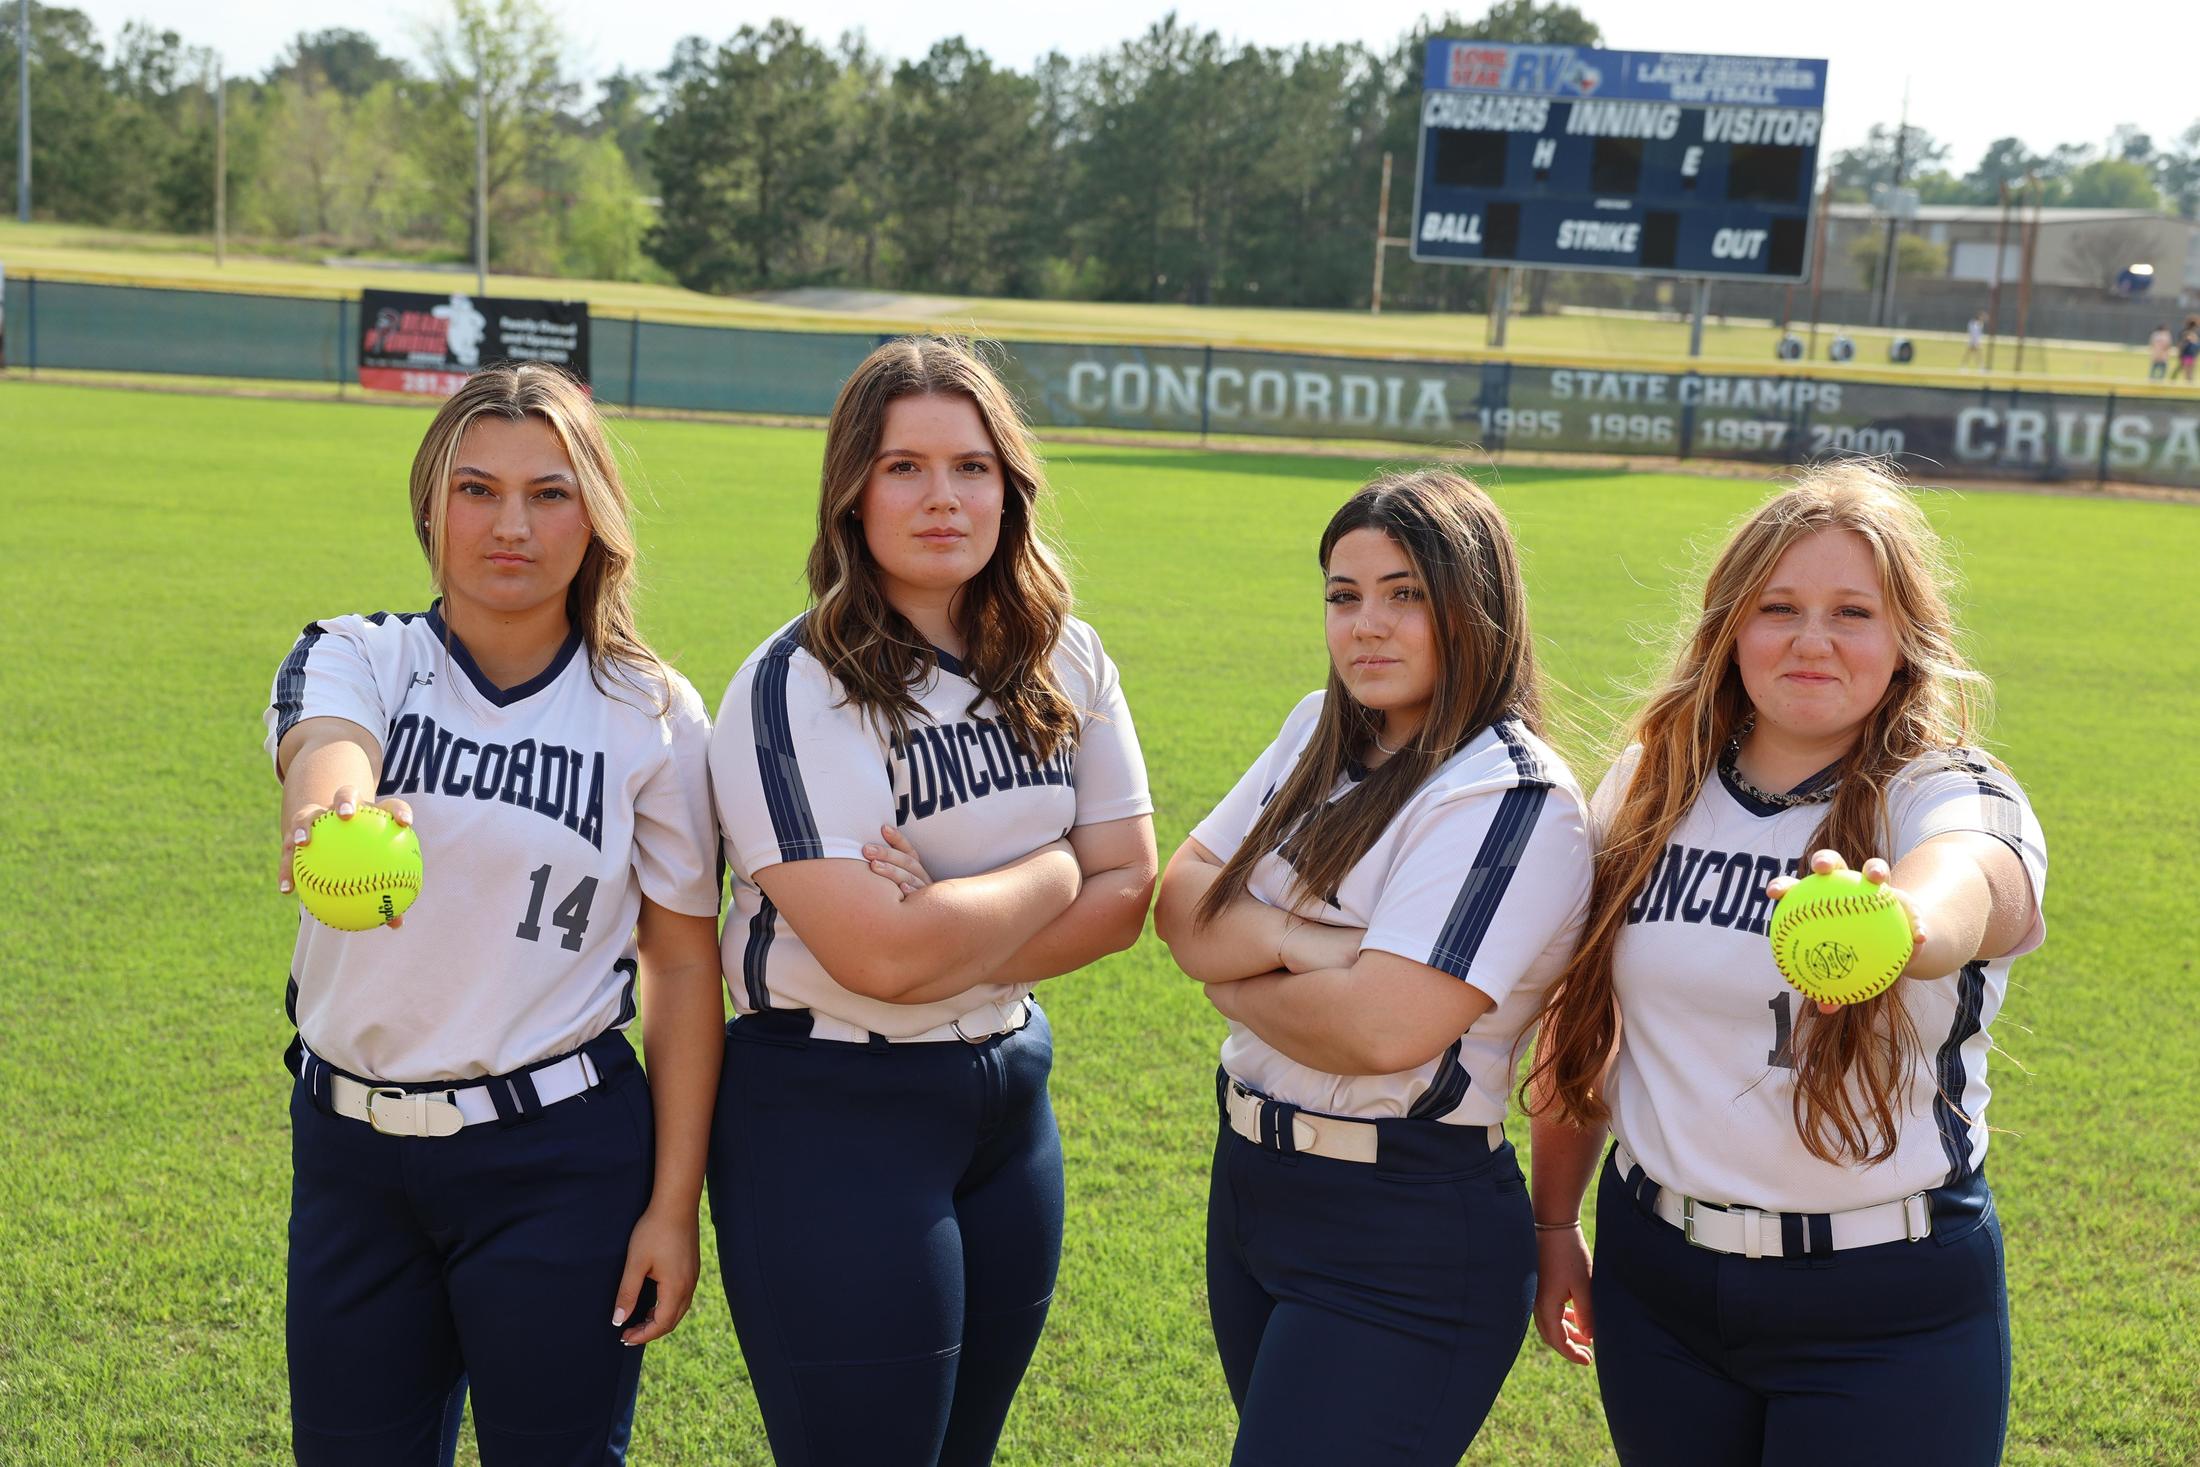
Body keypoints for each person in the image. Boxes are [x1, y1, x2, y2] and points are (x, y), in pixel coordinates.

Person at [1527, 463, 2047, 1467]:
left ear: (1904, 639)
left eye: (1852, 611)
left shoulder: (1945, 789)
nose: (1813, 640)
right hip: (1658, 1284)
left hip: (1885, 1302)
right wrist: (1554, 1224)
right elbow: (1583, 1026)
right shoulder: (1649, 784)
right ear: (1730, 627)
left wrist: (1900, 922)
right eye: (1779, 608)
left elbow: (1977, 886)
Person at [706, 335, 1157, 1467]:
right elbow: (882, 960)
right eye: (903, 466)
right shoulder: (796, 685)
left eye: (971, 466)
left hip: (1008, 1094)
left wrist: (946, 919)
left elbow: (1131, 892)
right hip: (832, 1111)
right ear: (851, 493)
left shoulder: (1065, 655)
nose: (942, 496)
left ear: (1010, 488)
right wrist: (1055, 866)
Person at [267, 363, 726, 1466]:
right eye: (476, 489)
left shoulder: (652, 712)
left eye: (549, 493)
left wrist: (673, 1206)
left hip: (560, 1159)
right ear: (431, 505)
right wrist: (338, 810)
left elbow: (681, 970)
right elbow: (327, 749)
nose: (509, 525)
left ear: (595, 515)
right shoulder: (360, 652)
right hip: (352, 1159)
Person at [1154, 469, 1593, 1466]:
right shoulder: (1316, 728)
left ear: (1476, 607)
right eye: (1343, 596)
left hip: (1402, 1226)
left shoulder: (1510, 793)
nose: (1367, 625)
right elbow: (1180, 906)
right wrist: (1298, 946)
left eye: (1406, 594)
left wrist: (1232, 974)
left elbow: (1381, 1027)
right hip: (1252, 1187)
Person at [2178, 318, 2199, 383]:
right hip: (2188, 354)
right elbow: (2182, 344)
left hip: (2191, 354)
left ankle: (2189, 382)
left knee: (2190, 371)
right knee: (2188, 371)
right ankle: (2188, 382)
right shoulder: (2187, 333)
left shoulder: (2191, 333)